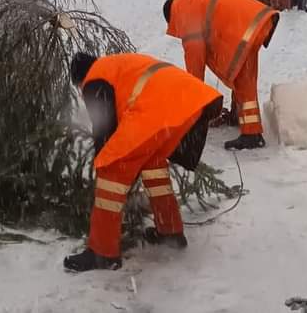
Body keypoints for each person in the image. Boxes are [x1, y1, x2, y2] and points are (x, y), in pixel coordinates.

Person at [63, 51, 223, 273]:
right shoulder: (115, 66)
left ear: (79, 79)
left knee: (111, 169)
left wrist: (101, 162)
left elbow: (105, 129)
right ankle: (170, 231)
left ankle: (102, 252)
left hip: (153, 113)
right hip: (185, 101)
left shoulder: (94, 78)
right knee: (153, 165)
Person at [163, 0, 279, 151]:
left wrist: (195, 99)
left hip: (243, 26)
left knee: (242, 80)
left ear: (171, 17)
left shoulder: (185, 13)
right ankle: (237, 115)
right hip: (254, 19)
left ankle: (252, 134)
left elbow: (195, 57)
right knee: (242, 74)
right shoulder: (193, 0)